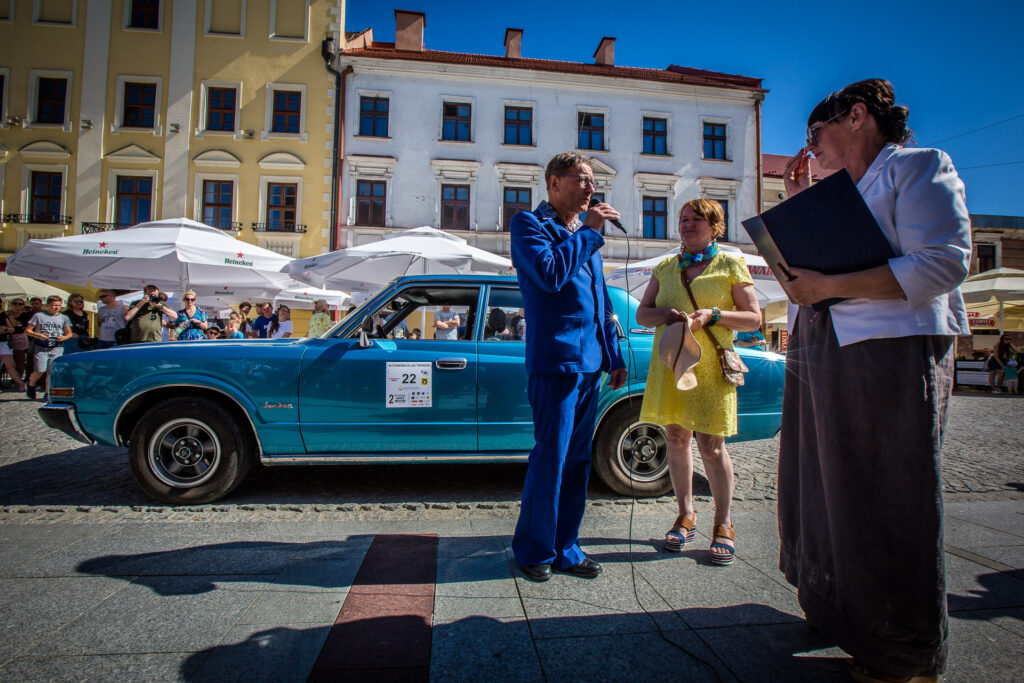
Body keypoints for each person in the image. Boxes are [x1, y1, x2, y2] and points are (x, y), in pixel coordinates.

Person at [779, 79, 970, 682]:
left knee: (886, 493)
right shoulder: (840, 190)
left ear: (856, 116)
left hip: (889, 349)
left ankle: (903, 650)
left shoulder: (917, 167)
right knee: (821, 489)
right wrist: (802, 207)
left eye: (815, 135)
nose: (810, 150)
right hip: (824, 345)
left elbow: (944, 261)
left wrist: (830, 287)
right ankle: (839, 609)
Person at [509, 151, 627, 582]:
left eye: (593, 179)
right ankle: (534, 549)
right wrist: (591, 232)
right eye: (581, 178)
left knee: (578, 460)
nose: (590, 187)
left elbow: (601, 303)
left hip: (590, 365)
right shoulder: (529, 225)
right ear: (554, 183)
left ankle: (567, 548)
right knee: (552, 457)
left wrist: (613, 356)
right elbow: (550, 273)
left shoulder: (585, 234)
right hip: (555, 360)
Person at [636, 199, 761, 564]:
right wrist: (662, 313)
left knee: (712, 445)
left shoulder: (731, 264)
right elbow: (643, 314)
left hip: (710, 367)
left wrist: (715, 314)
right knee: (676, 437)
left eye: (697, 219)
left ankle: (724, 523)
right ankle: (686, 514)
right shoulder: (665, 266)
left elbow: (753, 318)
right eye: (683, 219)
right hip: (673, 363)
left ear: (715, 226)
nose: (687, 224)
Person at [24, 295, 72, 400]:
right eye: (54, 305)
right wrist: (38, 335)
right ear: (48, 305)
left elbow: (69, 333)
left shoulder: (63, 318)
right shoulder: (39, 316)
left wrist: (63, 337)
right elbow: (27, 330)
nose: (56, 308)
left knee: (51, 370)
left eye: (59, 305)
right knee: (40, 370)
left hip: (57, 346)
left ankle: (47, 393)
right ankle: (31, 384)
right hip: (41, 346)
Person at [0, 300, 28, 392]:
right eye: (15, 304)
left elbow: (12, 329)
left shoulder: (3, 316)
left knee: (10, 365)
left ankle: (21, 384)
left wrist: (6, 329)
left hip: (2, 343)